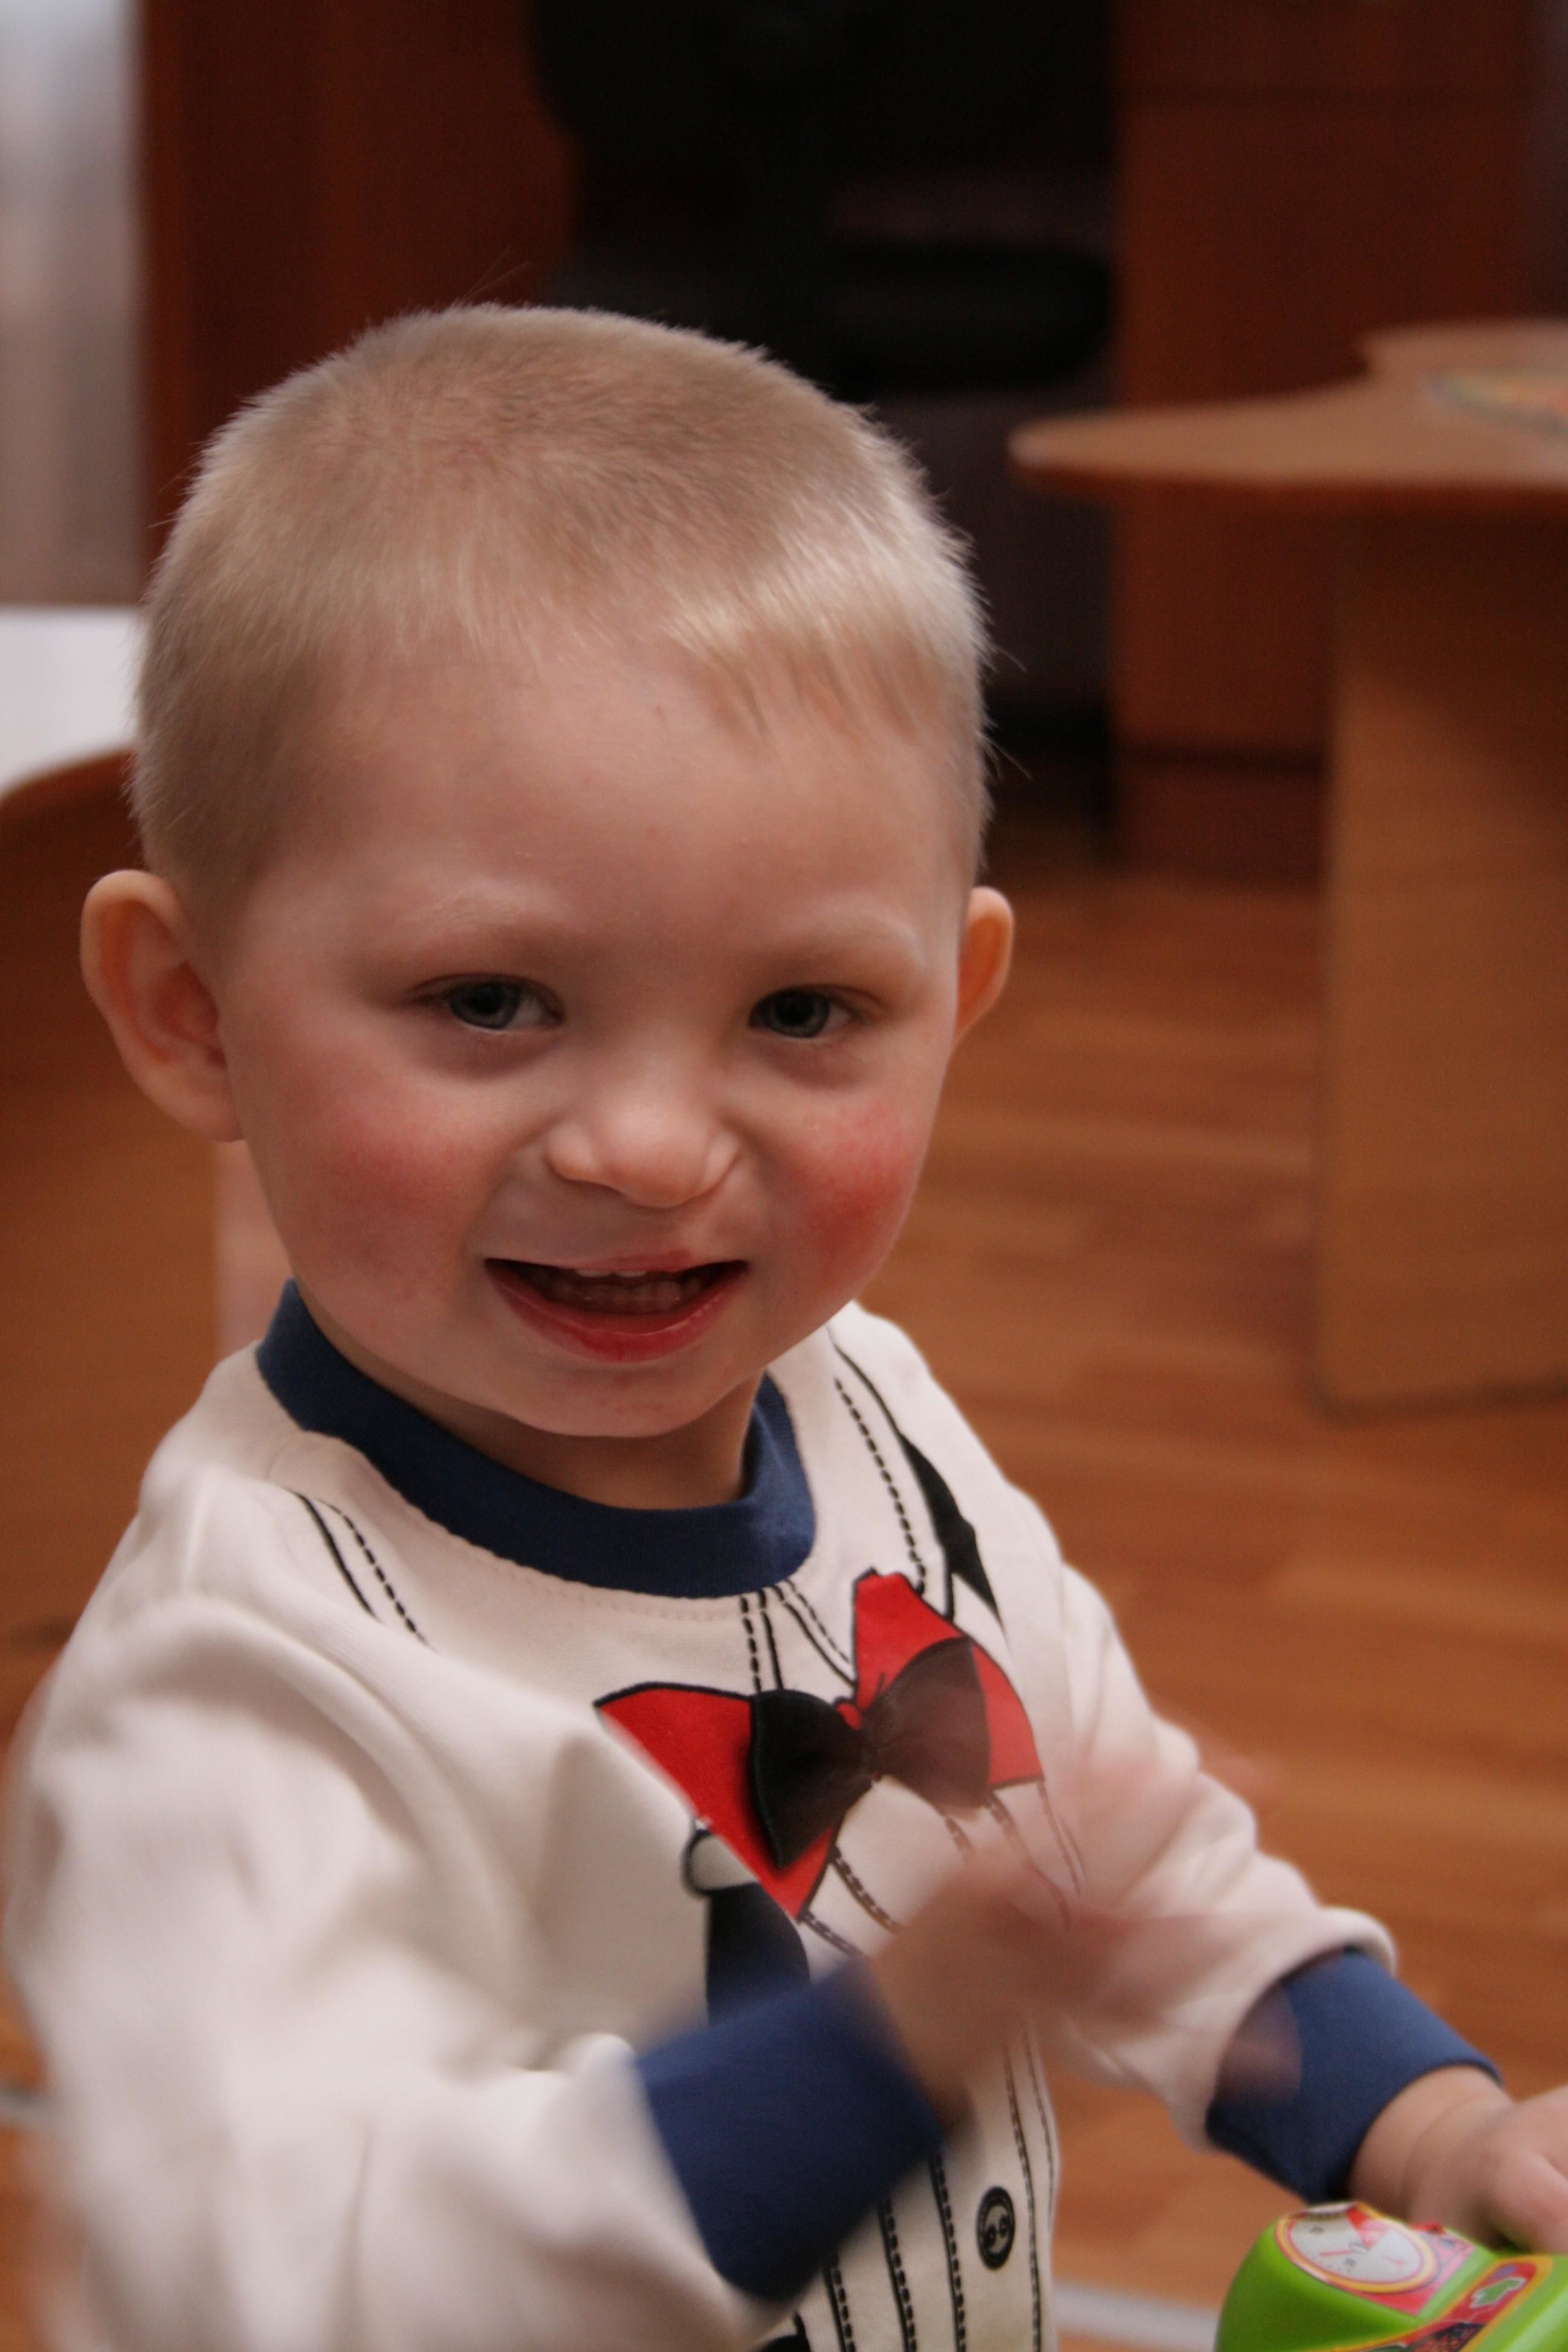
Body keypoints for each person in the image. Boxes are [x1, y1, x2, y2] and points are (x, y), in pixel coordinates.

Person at [5, 306, 1564, 2352]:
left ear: (954, 1006)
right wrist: (876, 2056)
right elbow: (287, 2278)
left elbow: (1124, 1851)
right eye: (491, 1001)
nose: (653, 1149)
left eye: (803, 1012)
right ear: (190, 1013)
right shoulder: (230, 1685)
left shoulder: (876, 1417)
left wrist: (1429, 2124)